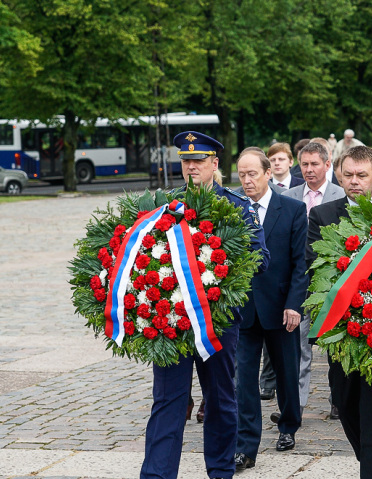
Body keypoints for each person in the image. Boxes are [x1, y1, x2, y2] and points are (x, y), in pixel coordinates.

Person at [141, 131, 269, 479]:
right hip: (169, 322)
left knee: (220, 400)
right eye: (186, 161)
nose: (192, 166)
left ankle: (220, 471)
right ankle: (157, 475)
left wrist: (222, 270)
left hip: (219, 322)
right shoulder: (164, 207)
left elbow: (263, 259)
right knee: (168, 401)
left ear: (215, 164)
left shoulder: (237, 207)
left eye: (199, 161)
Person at [308, 146, 372, 479]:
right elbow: (314, 270)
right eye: (348, 175)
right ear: (339, 176)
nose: (355, 182)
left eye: (362, 175)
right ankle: (371, 461)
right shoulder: (324, 215)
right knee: (345, 405)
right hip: (343, 333)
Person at [234, 148, 307, 471]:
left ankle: (289, 424)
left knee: (287, 374)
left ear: (268, 174)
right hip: (243, 311)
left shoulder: (292, 208)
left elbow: (300, 263)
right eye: (242, 174)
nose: (247, 180)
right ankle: (246, 446)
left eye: (253, 174)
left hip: (280, 308)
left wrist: (294, 304)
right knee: (243, 380)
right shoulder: (231, 209)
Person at [282, 141, 345, 420]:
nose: (308, 170)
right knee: (299, 345)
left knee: (334, 346)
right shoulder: (291, 195)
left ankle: (338, 398)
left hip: (331, 283)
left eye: (314, 164)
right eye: (304, 165)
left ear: (327, 164)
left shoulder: (341, 195)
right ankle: (297, 405)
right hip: (298, 281)